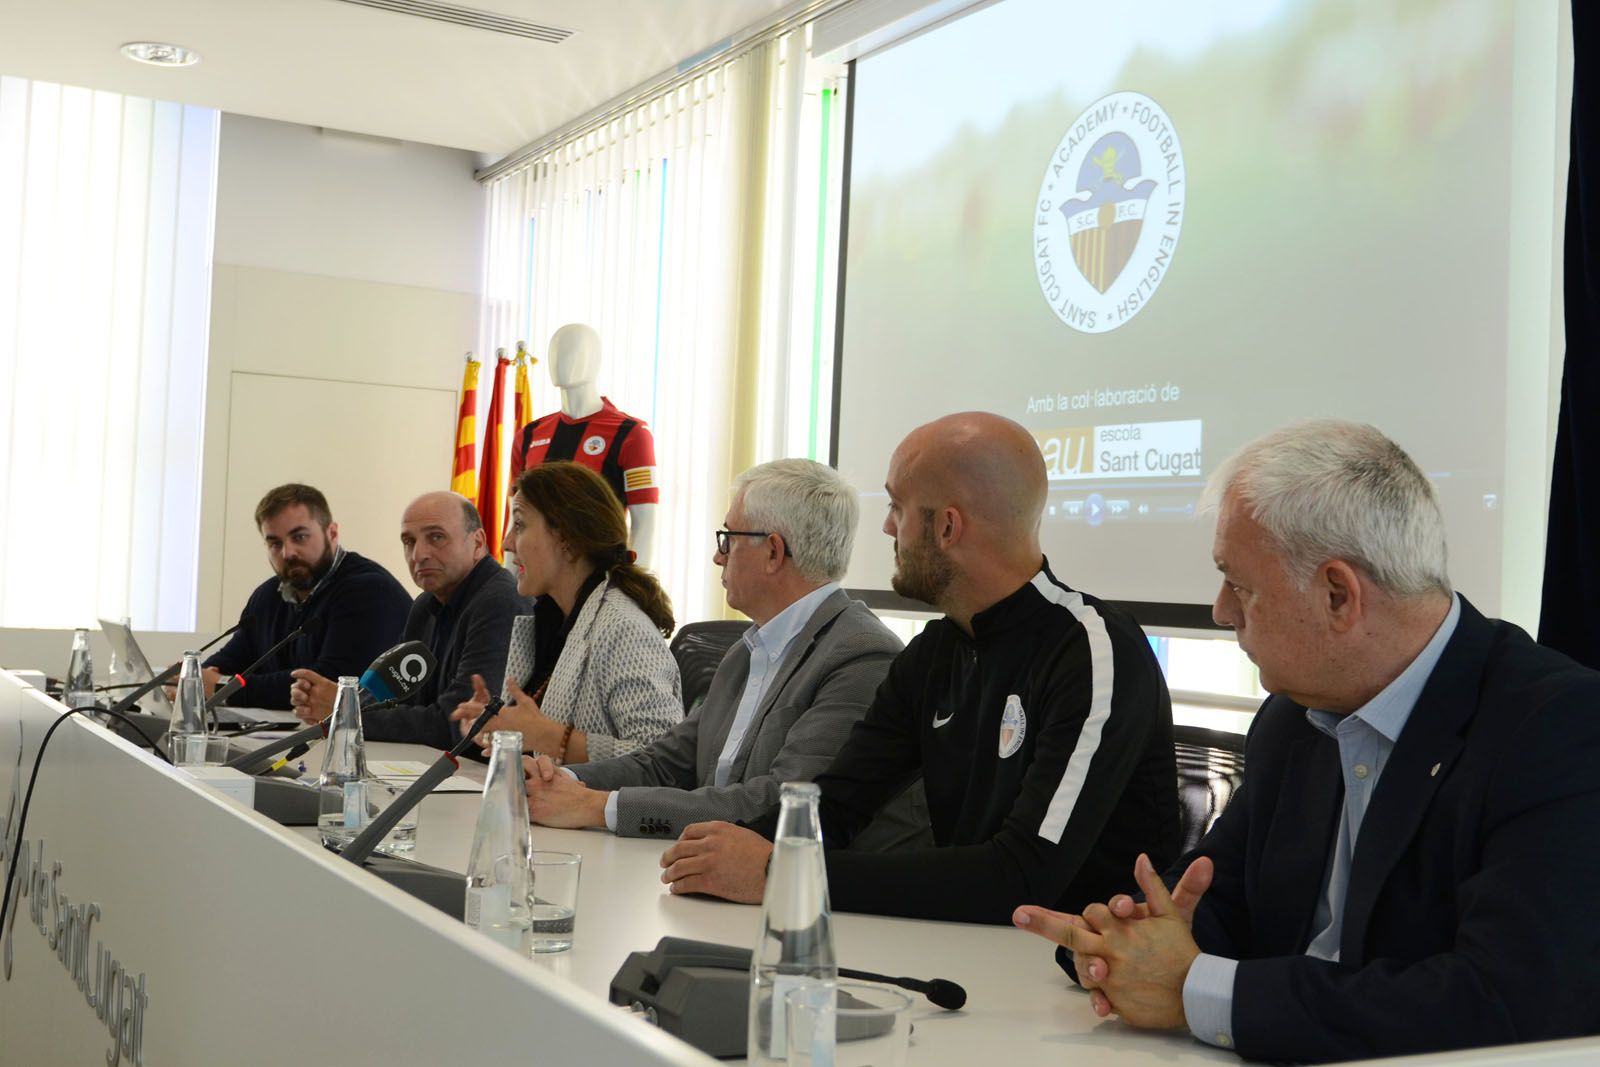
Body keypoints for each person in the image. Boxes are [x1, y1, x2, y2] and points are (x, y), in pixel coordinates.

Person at [1014, 419, 1600, 1062]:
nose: (1220, 610)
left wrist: (1193, 989)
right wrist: (1130, 947)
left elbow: (1503, 999)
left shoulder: (1559, 727)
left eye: (1239, 585)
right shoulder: (1292, 719)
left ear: (1337, 594)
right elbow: (1219, 899)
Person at [659, 412, 1179, 924]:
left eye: (897, 506)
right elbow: (837, 805)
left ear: (948, 526)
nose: (886, 526)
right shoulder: (936, 651)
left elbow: (1025, 876)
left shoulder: (1092, 651)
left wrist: (785, 872)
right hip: (965, 953)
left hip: (1077, 980)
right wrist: (727, 850)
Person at [523, 459, 927, 849]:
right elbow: (665, 763)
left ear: (772, 552)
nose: (718, 556)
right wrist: (559, 780)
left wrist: (598, 807)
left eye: (729, 539)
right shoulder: (748, 650)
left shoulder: (861, 655)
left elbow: (781, 803)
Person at [450, 462, 681, 765]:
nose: (506, 543)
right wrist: (498, 728)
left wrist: (550, 737)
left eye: (519, 525)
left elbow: (664, 762)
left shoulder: (624, 629)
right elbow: (535, 742)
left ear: (569, 541)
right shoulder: (547, 621)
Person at [285, 492, 529, 748]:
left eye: (436, 537)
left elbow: (460, 724)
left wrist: (346, 710)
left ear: (478, 543)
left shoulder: (500, 602)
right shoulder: (425, 605)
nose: (418, 554)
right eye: (409, 541)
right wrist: (332, 700)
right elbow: (394, 699)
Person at [202, 484, 410, 710]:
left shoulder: (368, 591)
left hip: (373, 740)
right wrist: (194, 681)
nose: (287, 553)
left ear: (331, 533)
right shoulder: (267, 596)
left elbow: (323, 685)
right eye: (274, 543)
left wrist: (223, 687)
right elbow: (232, 659)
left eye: (299, 537)